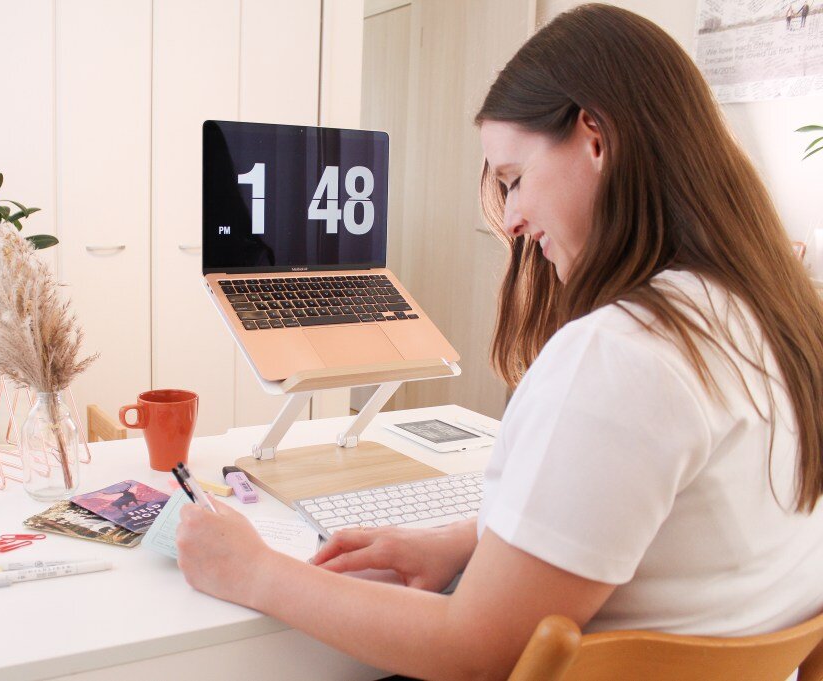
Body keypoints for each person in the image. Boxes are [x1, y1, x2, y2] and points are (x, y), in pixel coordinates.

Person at [174, 4, 823, 679]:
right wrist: (473, 539)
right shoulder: (768, 315)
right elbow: (672, 538)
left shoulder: (624, 351)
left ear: (594, 138)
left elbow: (474, 648)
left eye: (513, 179)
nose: (509, 218)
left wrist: (256, 571)